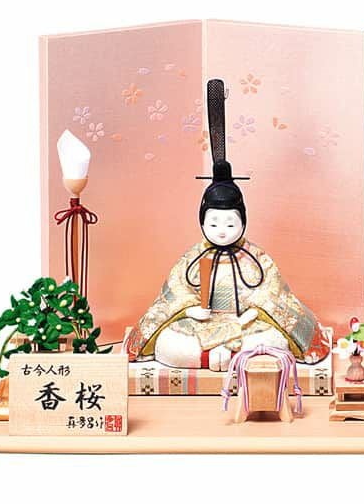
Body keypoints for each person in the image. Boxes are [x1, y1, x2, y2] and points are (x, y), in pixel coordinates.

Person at [124, 80, 330, 370]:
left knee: (274, 339)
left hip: (246, 324)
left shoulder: (257, 258)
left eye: (230, 224)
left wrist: (255, 312)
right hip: (200, 325)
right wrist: (191, 310)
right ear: (202, 221)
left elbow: (273, 292)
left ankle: (223, 356)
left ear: (243, 221)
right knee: (169, 344)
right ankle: (222, 358)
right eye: (214, 223)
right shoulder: (193, 257)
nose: (222, 230)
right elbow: (176, 291)